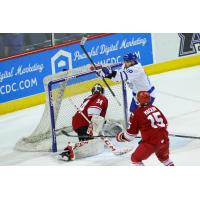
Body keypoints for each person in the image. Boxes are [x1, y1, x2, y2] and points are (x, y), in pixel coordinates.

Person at [116, 91, 174, 166]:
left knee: (135, 159)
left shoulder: (136, 113)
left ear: (138, 100)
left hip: (151, 143)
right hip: (165, 140)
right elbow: (165, 123)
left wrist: (120, 137)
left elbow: (130, 136)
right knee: (165, 159)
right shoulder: (154, 108)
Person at [59, 83, 108, 161]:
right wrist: (98, 127)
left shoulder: (88, 98)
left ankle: (68, 153)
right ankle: (71, 146)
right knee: (92, 143)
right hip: (85, 122)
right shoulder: (103, 98)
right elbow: (96, 115)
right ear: (102, 91)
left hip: (77, 121)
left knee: (85, 146)